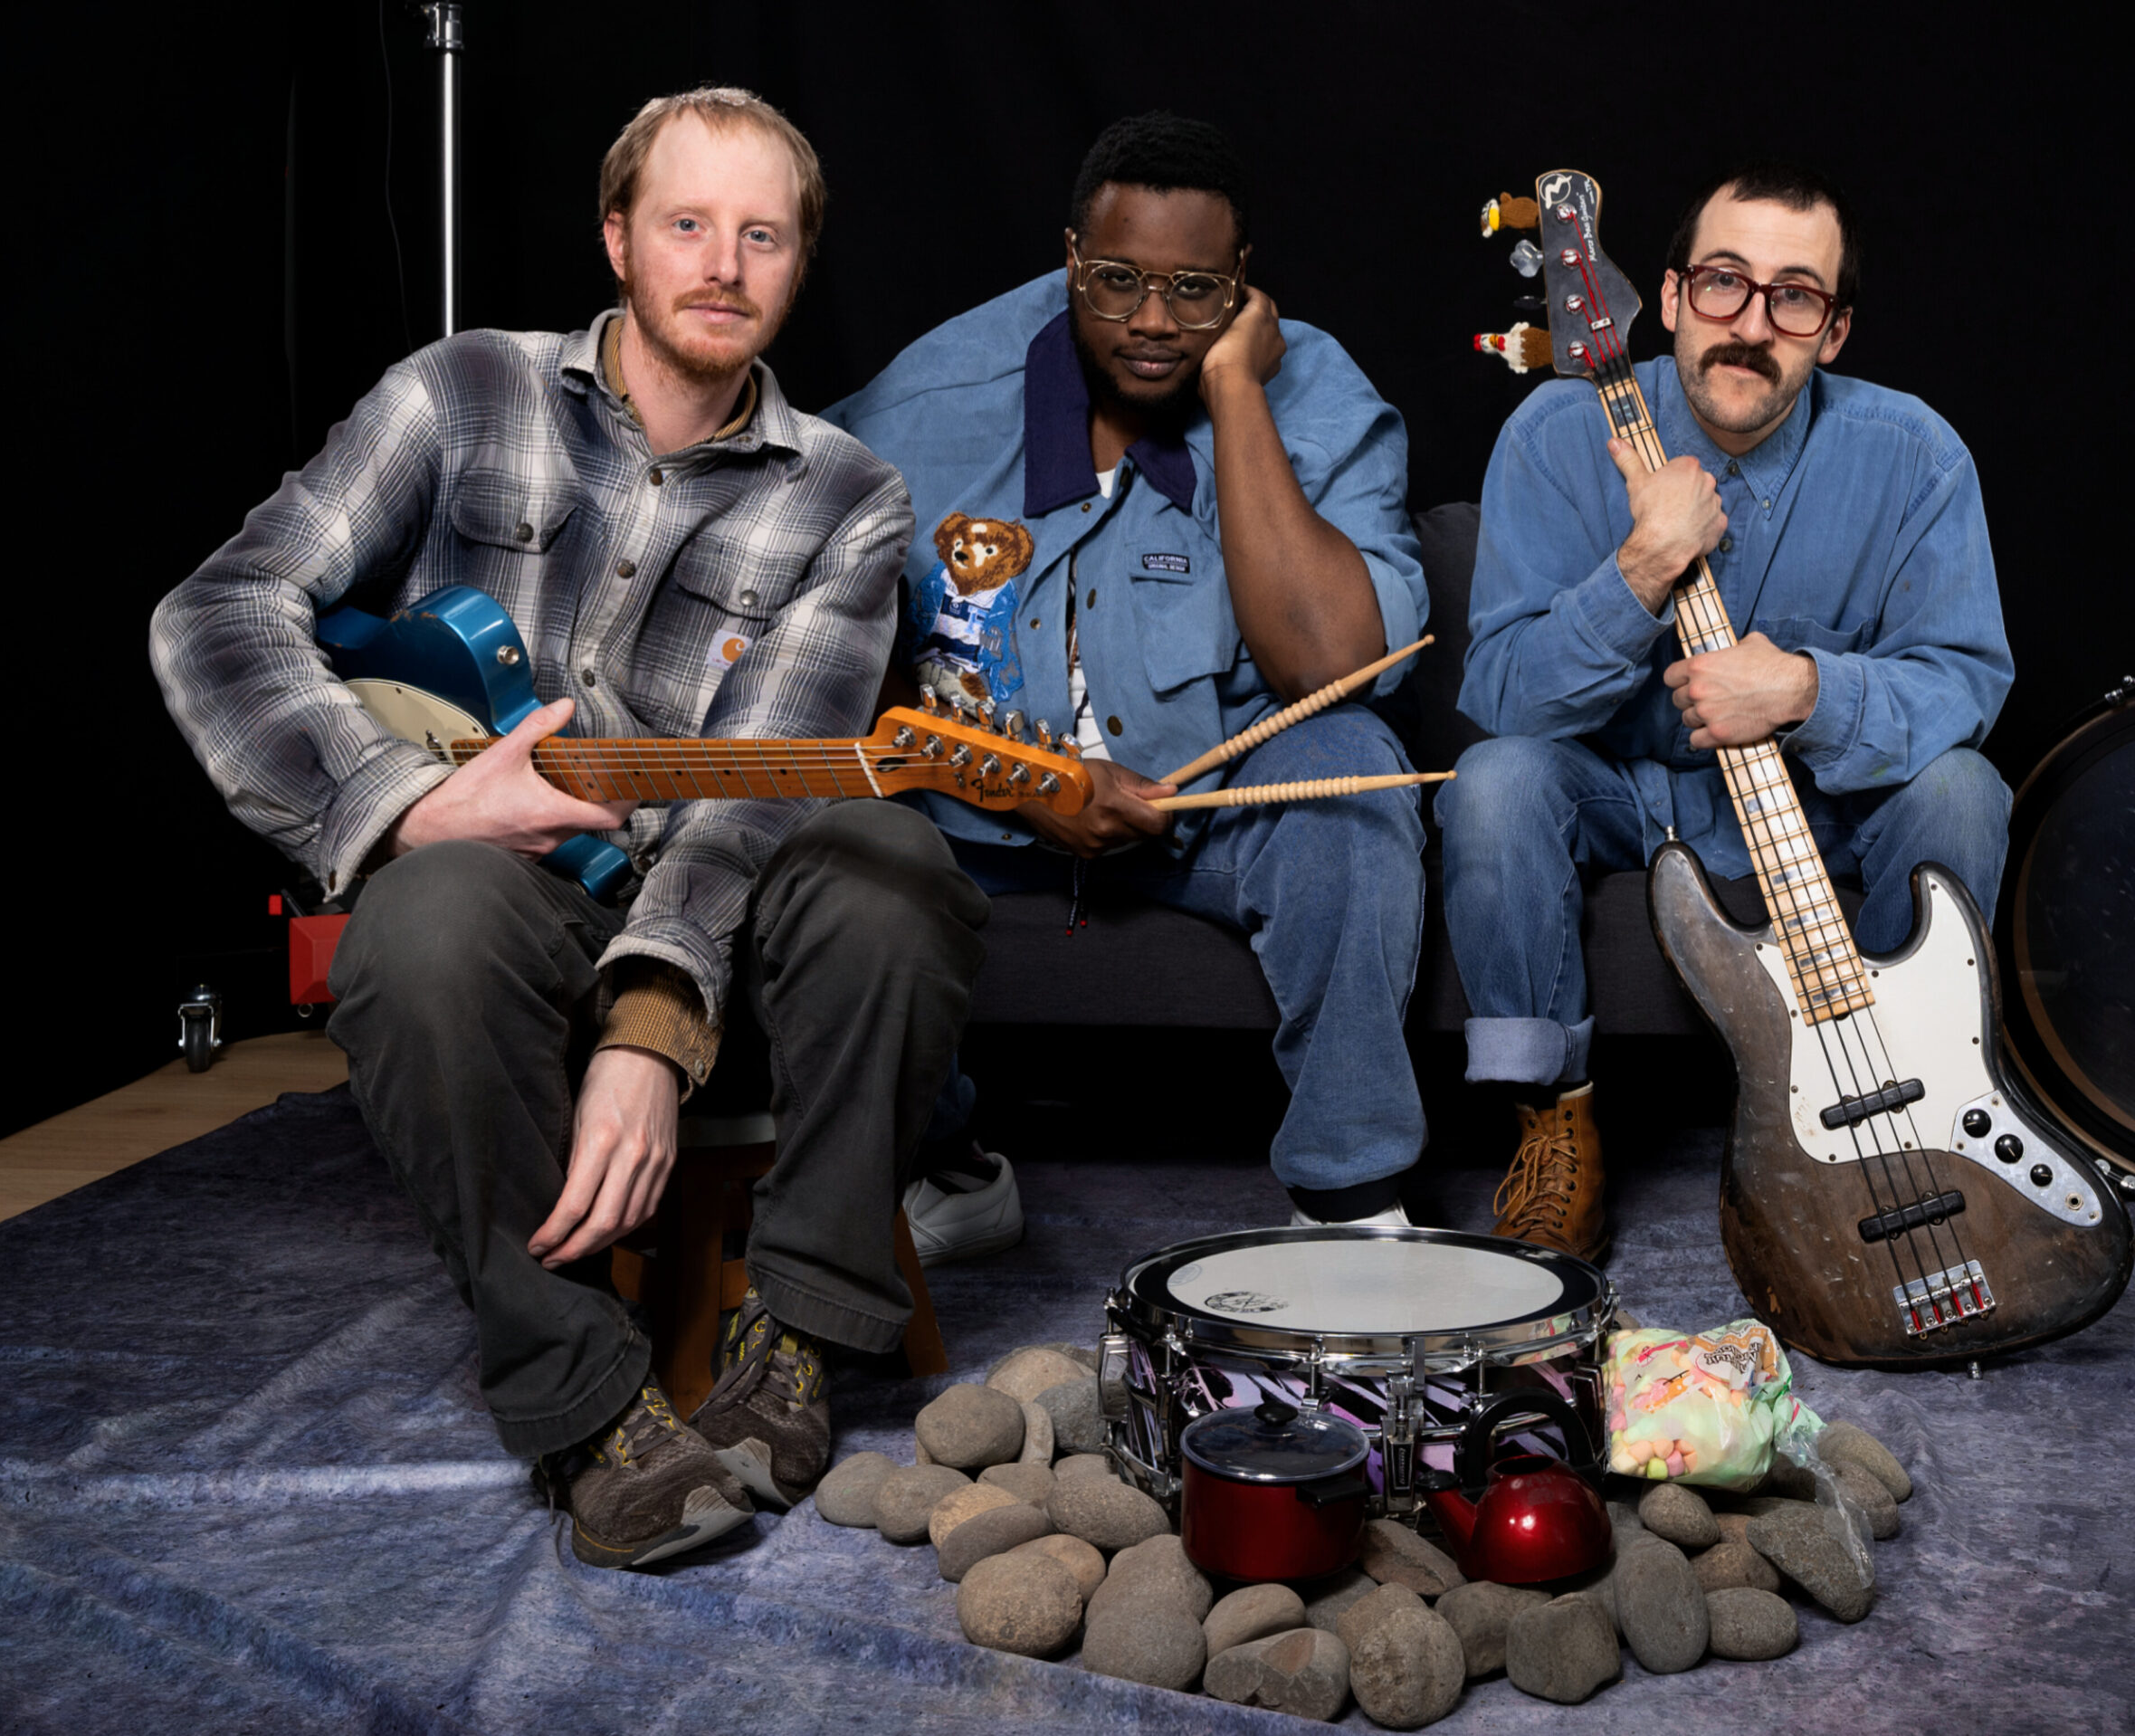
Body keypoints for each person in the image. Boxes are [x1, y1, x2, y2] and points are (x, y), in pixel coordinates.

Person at [151, 89, 988, 1569]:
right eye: (686, 224)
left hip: (725, 906)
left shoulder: (852, 498)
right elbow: (218, 610)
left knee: (891, 865)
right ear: (616, 236)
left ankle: (798, 1335)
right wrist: (405, 799)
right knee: (421, 917)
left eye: (763, 236)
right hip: (511, 899)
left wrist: (649, 1028)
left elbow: (755, 782)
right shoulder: (461, 391)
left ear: (800, 263)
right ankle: (588, 1405)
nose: (721, 264)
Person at [828, 113, 1433, 1228]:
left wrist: (1236, 392)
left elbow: (1332, 667)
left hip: (1212, 814)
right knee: (844, 834)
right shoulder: (925, 407)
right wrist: (1020, 782)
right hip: (982, 819)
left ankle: (1347, 1200)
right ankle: (945, 1168)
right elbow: (827, 658)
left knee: (1353, 767)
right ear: (1071, 258)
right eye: (1116, 281)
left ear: (1242, 283)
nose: (1153, 322)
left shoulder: (1317, 397)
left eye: (1195, 291)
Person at [1438, 163, 2014, 1262]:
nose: (1750, 325)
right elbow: (1506, 696)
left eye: (1793, 297)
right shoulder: (1553, 434)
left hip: (1820, 810)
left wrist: (1806, 690)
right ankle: (1552, 1122)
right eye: (1722, 283)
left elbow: (1963, 681)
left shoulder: (1916, 456)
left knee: (1962, 787)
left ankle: (1917, 1110)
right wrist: (1642, 567)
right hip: (1623, 800)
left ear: (1832, 332)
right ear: (1667, 298)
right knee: (1495, 781)